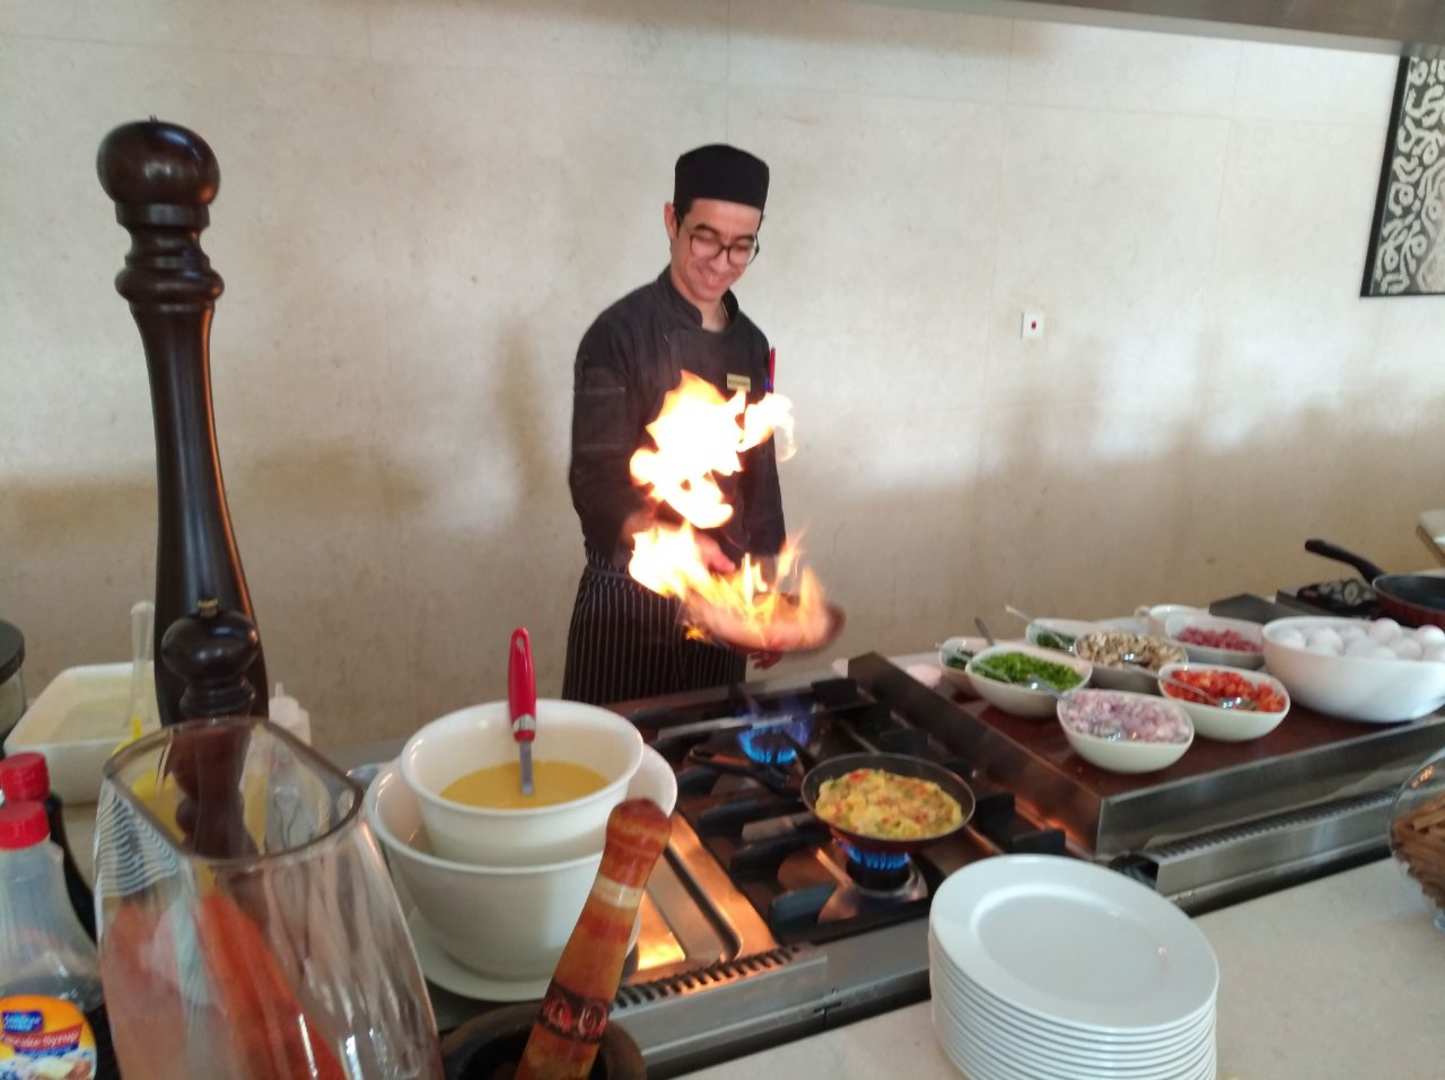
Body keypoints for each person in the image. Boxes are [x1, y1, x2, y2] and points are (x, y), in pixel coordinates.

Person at [562, 144, 784, 705]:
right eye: (706, 238)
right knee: (618, 755)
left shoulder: (750, 344)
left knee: (712, 752)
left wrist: (764, 588)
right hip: (627, 605)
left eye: (742, 245)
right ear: (672, 220)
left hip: (721, 603)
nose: (722, 261)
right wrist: (672, 544)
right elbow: (594, 479)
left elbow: (759, 480)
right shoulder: (617, 335)